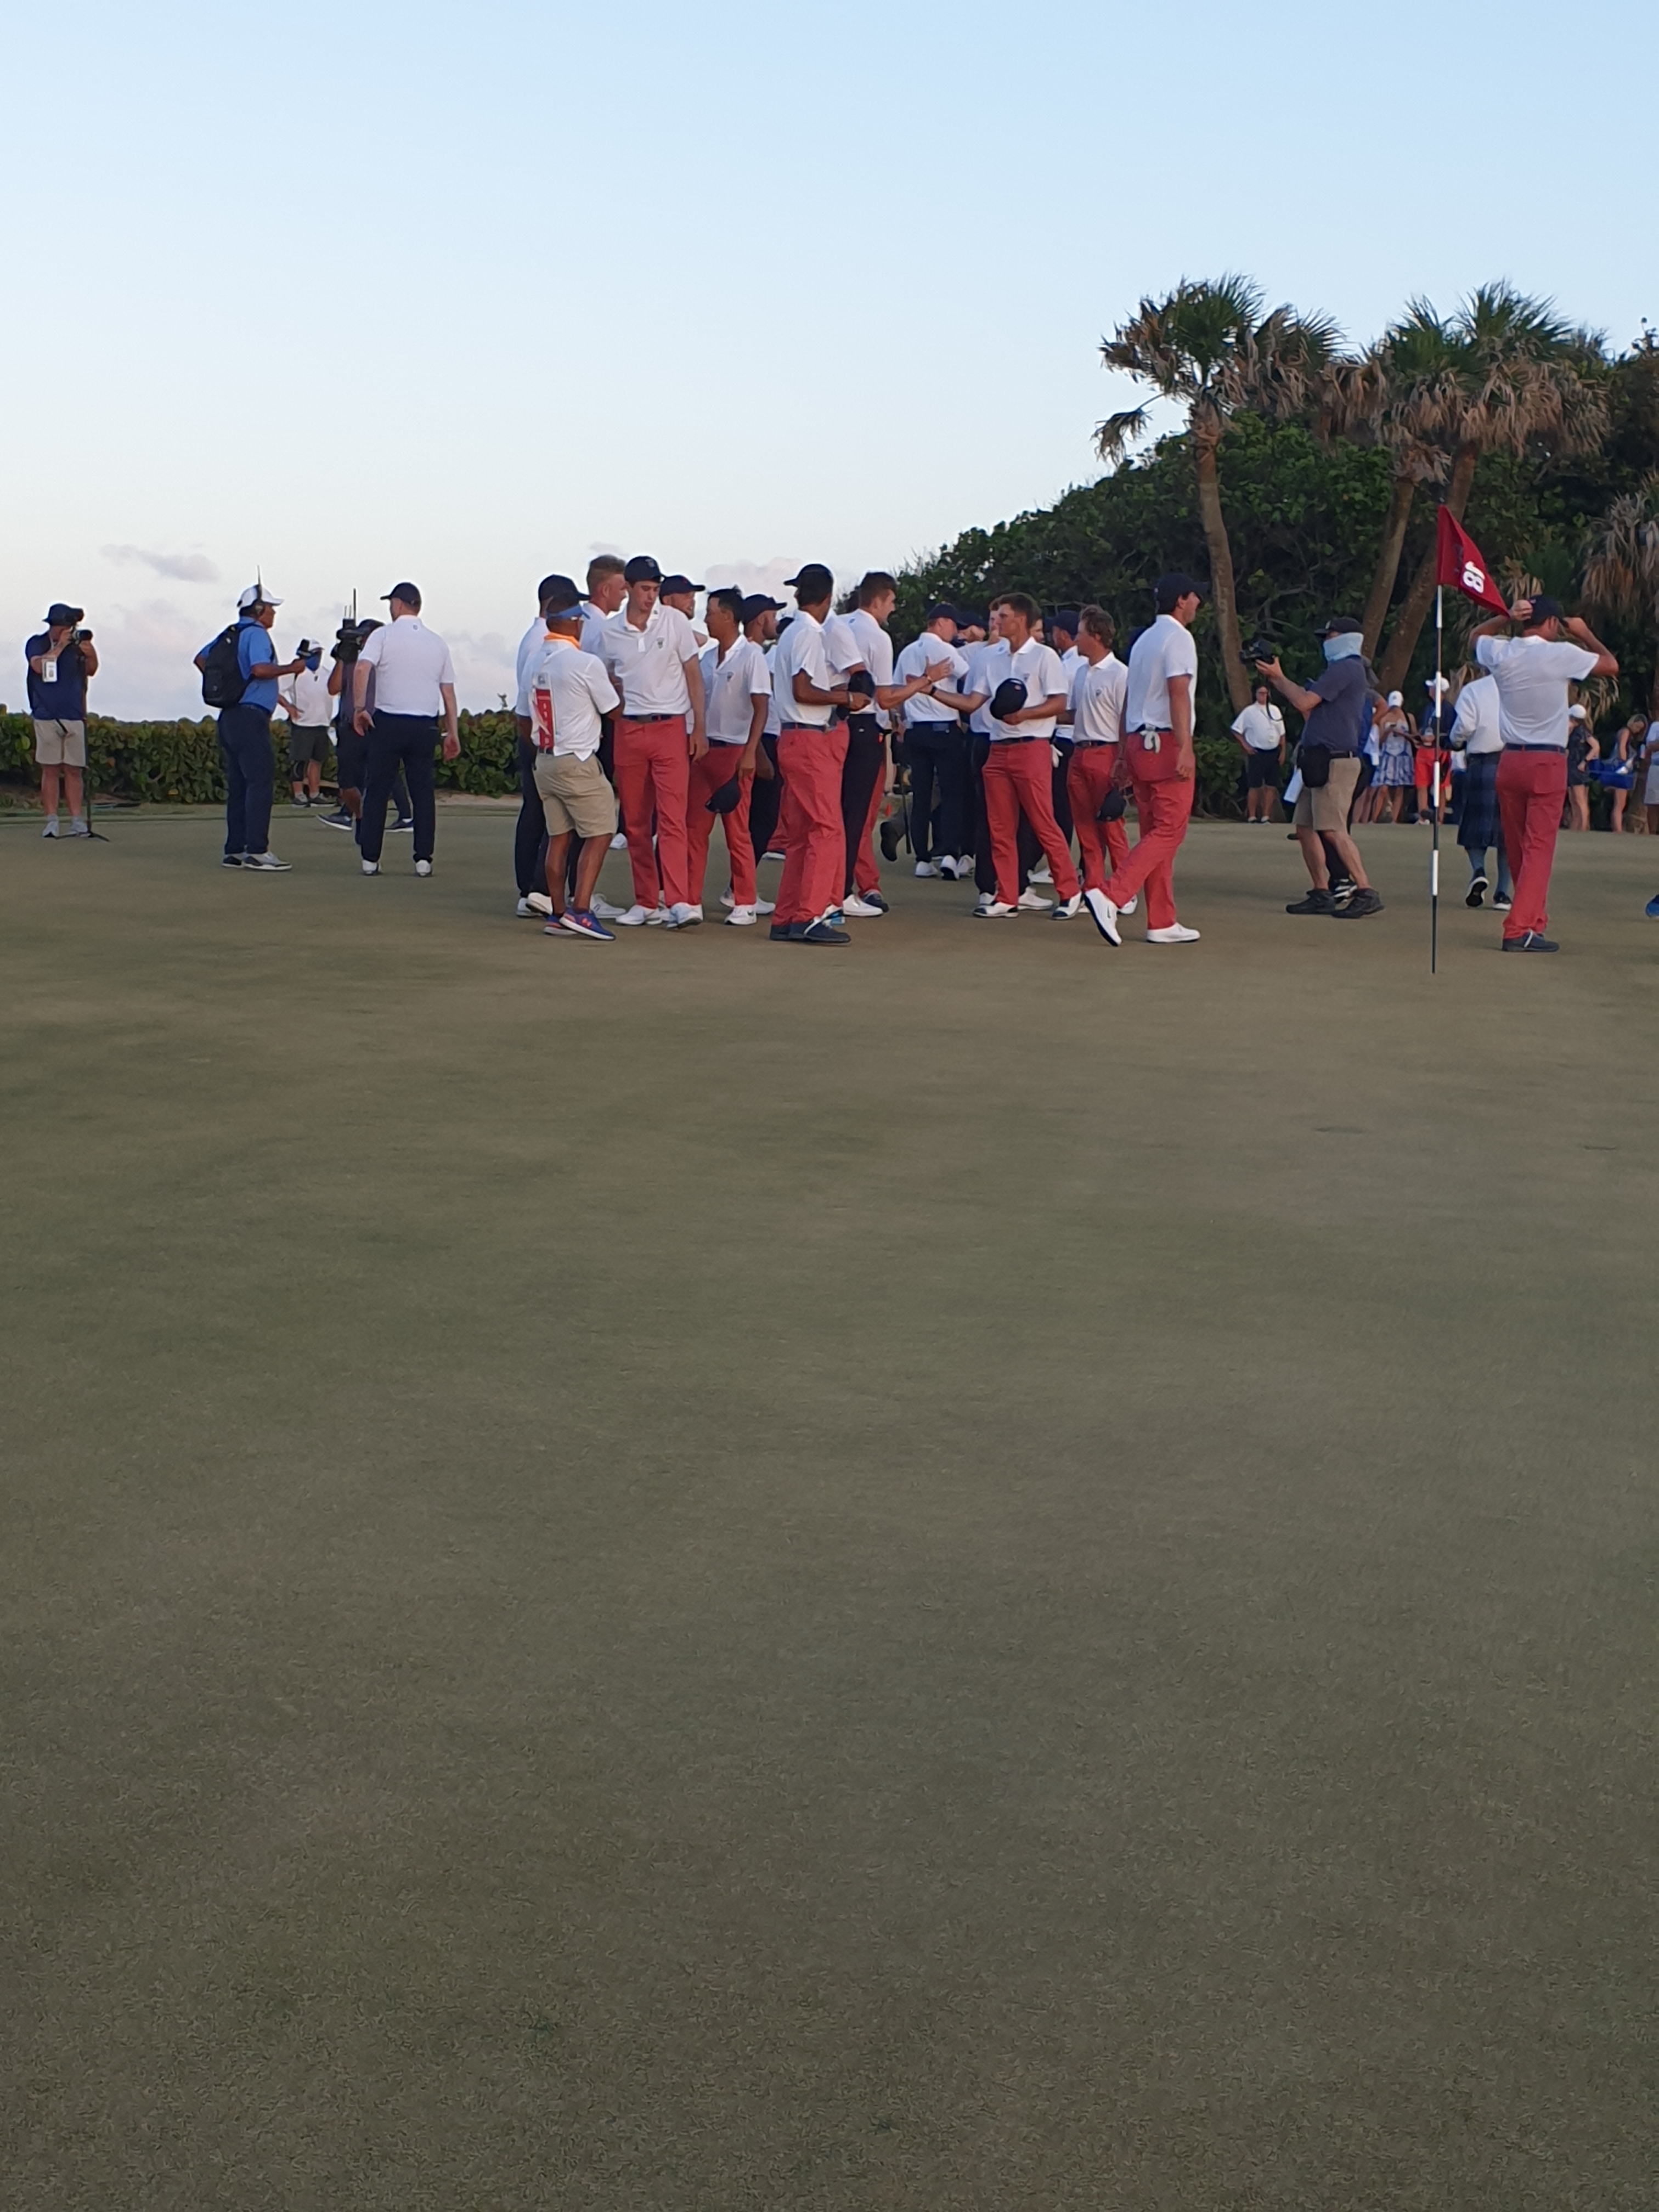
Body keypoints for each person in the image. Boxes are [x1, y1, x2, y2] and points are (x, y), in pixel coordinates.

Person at [1468, 593, 1617, 951]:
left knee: (1519, 846)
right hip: (1546, 760)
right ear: (1552, 623)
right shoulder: (1560, 654)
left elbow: (1475, 637)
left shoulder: (1502, 651)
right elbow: (1610, 665)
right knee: (1538, 848)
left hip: (1509, 760)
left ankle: (1533, 920)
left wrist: (1505, 616)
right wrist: (1584, 633)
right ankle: (1518, 929)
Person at [1087, 574, 1204, 945]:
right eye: (1195, 597)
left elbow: (1130, 702)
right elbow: (1178, 692)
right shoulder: (1178, 638)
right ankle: (1111, 894)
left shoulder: (1143, 641)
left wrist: (1124, 753)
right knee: (1170, 830)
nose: (1198, 603)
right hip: (1165, 742)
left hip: (1139, 742)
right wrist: (1185, 747)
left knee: (1155, 832)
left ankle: (1162, 920)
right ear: (1182, 600)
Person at [593, 555, 707, 928]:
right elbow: (602, 678)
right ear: (628, 588)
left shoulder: (674, 621)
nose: (651, 596)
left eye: (656, 589)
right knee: (636, 821)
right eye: (645, 589)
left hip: (670, 726)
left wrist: (699, 727)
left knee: (673, 818)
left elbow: (693, 675)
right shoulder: (609, 632)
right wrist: (616, 708)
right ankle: (646, 901)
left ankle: (679, 901)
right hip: (629, 729)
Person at [955, 591, 1081, 919]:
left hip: (1032, 747)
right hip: (998, 748)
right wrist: (929, 688)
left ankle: (1070, 892)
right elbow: (972, 702)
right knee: (1000, 826)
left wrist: (1024, 715)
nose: (997, 622)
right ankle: (1007, 895)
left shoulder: (1044, 656)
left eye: (1004, 616)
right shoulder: (993, 658)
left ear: (1022, 620)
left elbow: (1059, 702)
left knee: (1043, 822)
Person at [1259, 617, 1384, 921]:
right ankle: (1321, 891)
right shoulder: (1344, 669)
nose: (1327, 641)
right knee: (1306, 826)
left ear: (1348, 638)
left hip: (1336, 760)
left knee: (1332, 828)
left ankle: (1365, 890)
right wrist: (1278, 679)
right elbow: (1310, 703)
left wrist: (1279, 678)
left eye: (1331, 635)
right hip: (1320, 759)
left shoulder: (1346, 668)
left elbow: (1304, 702)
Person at [519, 575, 622, 941]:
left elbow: (522, 718)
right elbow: (614, 710)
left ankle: (558, 912)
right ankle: (581, 910)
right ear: (575, 622)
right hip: (576, 758)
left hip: (545, 760)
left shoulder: (534, 660)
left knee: (558, 837)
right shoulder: (584, 663)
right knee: (602, 831)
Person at [768, 563, 857, 945]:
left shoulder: (792, 632)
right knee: (826, 828)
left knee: (803, 833)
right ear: (828, 598)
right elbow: (803, 690)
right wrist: (845, 697)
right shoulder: (808, 633)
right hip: (808, 737)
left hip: (792, 736)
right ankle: (810, 914)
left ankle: (788, 915)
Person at [351, 584, 461, 879]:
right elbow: (448, 692)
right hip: (425, 724)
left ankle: (370, 858)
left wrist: (360, 708)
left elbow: (362, 669)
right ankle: (423, 860)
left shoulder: (383, 635)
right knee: (422, 792)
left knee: (377, 790)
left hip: (388, 722)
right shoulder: (437, 643)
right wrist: (453, 732)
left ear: (398, 604)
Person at [195, 585, 304, 871]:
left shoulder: (230, 633)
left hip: (230, 717)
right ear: (258, 609)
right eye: (270, 608)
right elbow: (259, 669)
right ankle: (257, 850)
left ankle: (235, 849)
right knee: (259, 783)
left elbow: (201, 659)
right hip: (250, 716)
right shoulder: (257, 634)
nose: (274, 613)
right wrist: (290, 669)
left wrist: (228, 685)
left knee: (239, 786)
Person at [691, 586, 769, 925]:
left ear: (727, 616)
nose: (706, 619)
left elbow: (761, 707)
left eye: (710, 613)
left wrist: (750, 753)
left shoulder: (752, 656)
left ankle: (745, 901)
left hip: (735, 751)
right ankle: (690, 899)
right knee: (694, 829)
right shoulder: (707, 659)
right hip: (705, 751)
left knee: (737, 831)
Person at [1060, 605, 1136, 908]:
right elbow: (1074, 714)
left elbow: (1126, 721)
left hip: (1107, 753)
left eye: (1080, 634)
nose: (1076, 639)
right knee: (1085, 828)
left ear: (1096, 636)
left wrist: (1124, 761)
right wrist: (1034, 715)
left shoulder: (1120, 674)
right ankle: (1093, 887)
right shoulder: (1081, 672)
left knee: (1111, 825)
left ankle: (1124, 889)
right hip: (1079, 752)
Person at [509, 576, 573, 918]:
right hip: (542, 738)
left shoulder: (532, 638)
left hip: (534, 735)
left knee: (535, 813)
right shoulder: (543, 642)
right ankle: (537, 888)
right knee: (549, 816)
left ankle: (529, 890)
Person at [892, 604, 970, 876]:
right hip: (944, 728)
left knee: (921, 795)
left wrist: (902, 721)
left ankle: (922, 860)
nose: (955, 631)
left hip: (915, 730)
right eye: (953, 625)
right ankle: (949, 854)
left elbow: (898, 691)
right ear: (941, 623)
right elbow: (968, 677)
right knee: (951, 794)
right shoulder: (945, 650)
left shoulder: (907, 652)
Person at [26, 602, 99, 837]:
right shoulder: (37, 643)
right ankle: (52, 820)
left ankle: (77, 820)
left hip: (75, 714)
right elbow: (39, 667)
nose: (69, 631)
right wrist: (60, 647)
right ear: (55, 626)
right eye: (65, 627)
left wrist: (90, 654)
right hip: (47, 714)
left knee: (74, 770)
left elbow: (91, 670)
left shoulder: (77, 647)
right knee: (50, 769)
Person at [1450, 670, 1511, 911]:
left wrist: (1455, 741)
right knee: (1509, 829)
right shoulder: (1521, 687)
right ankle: (1503, 894)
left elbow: (1464, 726)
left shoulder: (1474, 690)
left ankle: (1478, 871)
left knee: (1475, 825)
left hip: (1483, 762)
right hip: (1514, 761)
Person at [739, 595, 787, 870]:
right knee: (762, 818)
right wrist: (756, 751)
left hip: (759, 739)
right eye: (773, 616)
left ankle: (740, 885)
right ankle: (740, 886)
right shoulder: (755, 655)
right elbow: (753, 706)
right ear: (761, 619)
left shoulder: (750, 653)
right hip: (761, 740)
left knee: (756, 818)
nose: (776, 623)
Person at [279, 639, 332, 809]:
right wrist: (289, 707)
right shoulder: (293, 673)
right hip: (302, 723)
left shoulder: (326, 673)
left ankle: (315, 794)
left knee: (317, 760)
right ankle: (299, 794)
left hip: (322, 722)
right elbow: (276, 690)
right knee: (299, 760)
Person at [1231, 682, 1285, 821]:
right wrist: (1246, 746)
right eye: (1261, 693)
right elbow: (1236, 730)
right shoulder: (1249, 712)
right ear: (1256, 694)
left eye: (1265, 693)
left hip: (1273, 752)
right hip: (1257, 752)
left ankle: (1266, 816)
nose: (1263, 696)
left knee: (1271, 786)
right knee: (1255, 785)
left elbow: (1282, 734)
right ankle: (1252, 815)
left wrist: (1283, 751)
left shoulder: (1275, 710)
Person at [1598, 707, 1638, 832]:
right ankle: (1618, 829)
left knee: (1618, 803)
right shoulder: (1626, 731)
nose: (1638, 729)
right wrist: (1624, 762)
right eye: (1637, 726)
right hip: (1621, 770)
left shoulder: (1626, 733)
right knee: (1620, 803)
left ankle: (1617, 827)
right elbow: (1621, 748)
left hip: (1618, 769)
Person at [1566, 701, 1596, 830]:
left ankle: (1583, 827)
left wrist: (1584, 762)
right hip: (1571, 766)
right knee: (1573, 799)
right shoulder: (1573, 731)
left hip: (1578, 767)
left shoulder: (1582, 732)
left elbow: (1596, 747)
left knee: (1580, 799)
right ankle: (1576, 826)